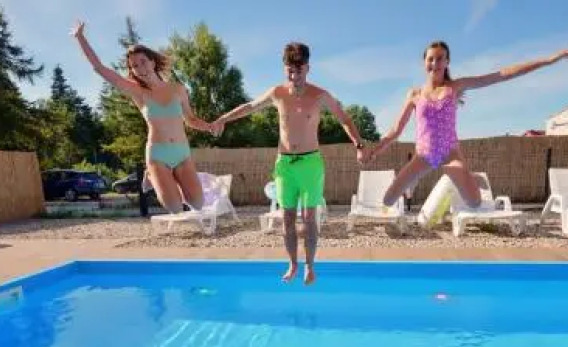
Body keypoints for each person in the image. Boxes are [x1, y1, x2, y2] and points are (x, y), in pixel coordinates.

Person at [212, 42, 366, 285]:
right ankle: (293, 263)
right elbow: (250, 107)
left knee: (309, 217)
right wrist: (223, 118)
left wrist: (358, 144)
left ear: (308, 68)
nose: (294, 77)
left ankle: (310, 265)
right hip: (284, 165)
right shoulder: (277, 93)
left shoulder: (320, 95)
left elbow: (344, 118)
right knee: (287, 218)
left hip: (310, 164)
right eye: (290, 71)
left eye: (299, 71)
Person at [366, 40, 568, 208]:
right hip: (423, 156)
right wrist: (375, 150)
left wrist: (549, 60)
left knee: (474, 203)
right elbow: (396, 130)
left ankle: (470, 176)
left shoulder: (455, 87)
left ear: (447, 62)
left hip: (450, 154)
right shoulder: (415, 94)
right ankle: (413, 181)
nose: (435, 63)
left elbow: (501, 75)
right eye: (430, 59)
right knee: (388, 201)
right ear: (424, 62)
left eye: (440, 59)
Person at [72, 20, 217, 213]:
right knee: (175, 207)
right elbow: (99, 68)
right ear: (132, 71)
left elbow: (190, 119)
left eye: (143, 62)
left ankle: (172, 179)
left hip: (182, 153)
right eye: (134, 66)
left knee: (197, 203)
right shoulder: (137, 92)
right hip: (158, 155)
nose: (140, 68)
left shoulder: (178, 89)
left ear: (153, 62)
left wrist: (209, 126)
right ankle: (153, 174)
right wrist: (80, 37)